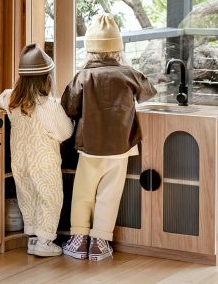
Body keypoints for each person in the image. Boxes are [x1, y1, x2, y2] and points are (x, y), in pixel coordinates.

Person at [61, 13, 157, 261]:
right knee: (109, 194)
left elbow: (69, 108)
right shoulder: (129, 74)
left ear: (90, 50)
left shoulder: (82, 77)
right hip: (120, 147)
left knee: (83, 193)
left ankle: (79, 239)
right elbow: (149, 94)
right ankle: (100, 242)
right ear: (118, 49)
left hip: (90, 147)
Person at [0, 43, 74, 257]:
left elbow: (1, 96)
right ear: (47, 78)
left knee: (28, 196)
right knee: (50, 198)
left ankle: (32, 237)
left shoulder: (11, 100)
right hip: (44, 161)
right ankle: (44, 242)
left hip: (20, 161)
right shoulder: (48, 105)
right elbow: (66, 131)